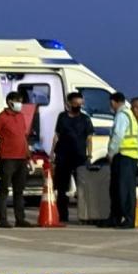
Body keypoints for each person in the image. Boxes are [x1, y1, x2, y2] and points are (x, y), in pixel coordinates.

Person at [50, 90, 93, 224]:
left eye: (80, 104)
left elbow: (89, 138)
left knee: (82, 189)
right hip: (63, 157)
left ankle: (84, 216)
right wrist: (52, 153)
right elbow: (57, 135)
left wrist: (89, 155)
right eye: (75, 103)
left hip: (79, 157)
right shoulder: (62, 117)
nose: (78, 106)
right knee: (61, 189)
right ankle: (63, 215)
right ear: (69, 103)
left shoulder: (85, 119)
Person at [0, 91, 32, 228]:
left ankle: (20, 219)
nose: (20, 104)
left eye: (21, 101)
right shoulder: (1, 118)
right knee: (4, 190)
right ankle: (3, 220)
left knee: (19, 191)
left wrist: (29, 156)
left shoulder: (21, 117)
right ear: (10, 102)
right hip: (7, 158)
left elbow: (23, 137)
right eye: (17, 101)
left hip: (21, 158)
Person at [106, 92, 138, 229]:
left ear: (114, 102)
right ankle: (116, 217)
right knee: (120, 189)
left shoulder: (121, 115)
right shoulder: (129, 114)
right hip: (129, 156)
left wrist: (111, 152)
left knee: (123, 190)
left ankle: (127, 219)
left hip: (123, 156)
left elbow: (118, 135)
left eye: (111, 103)